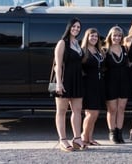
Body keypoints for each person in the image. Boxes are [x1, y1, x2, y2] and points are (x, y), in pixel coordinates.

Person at [52, 17, 86, 151]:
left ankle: (77, 138)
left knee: (77, 111)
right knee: (61, 111)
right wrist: (59, 83)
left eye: (78, 27)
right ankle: (63, 140)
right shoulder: (62, 43)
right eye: (74, 26)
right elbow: (57, 66)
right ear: (69, 27)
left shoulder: (77, 43)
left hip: (77, 80)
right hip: (64, 80)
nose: (76, 29)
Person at [103, 26, 130, 144]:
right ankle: (112, 132)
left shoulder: (125, 49)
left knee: (121, 108)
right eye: (114, 35)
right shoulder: (105, 50)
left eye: (119, 35)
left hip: (124, 81)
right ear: (110, 36)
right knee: (112, 109)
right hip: (110, 82)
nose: (117, 38)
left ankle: (119, 133)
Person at [80, 28, 105, 146]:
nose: (94, 38)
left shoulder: (98, 50)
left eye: (96, 36)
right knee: (91, 113)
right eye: (92, 36)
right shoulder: (82, 51)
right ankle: (84, 136)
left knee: (95, 113)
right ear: (87, 37)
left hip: (98, 84)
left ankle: (90, 137)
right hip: (88, 84)